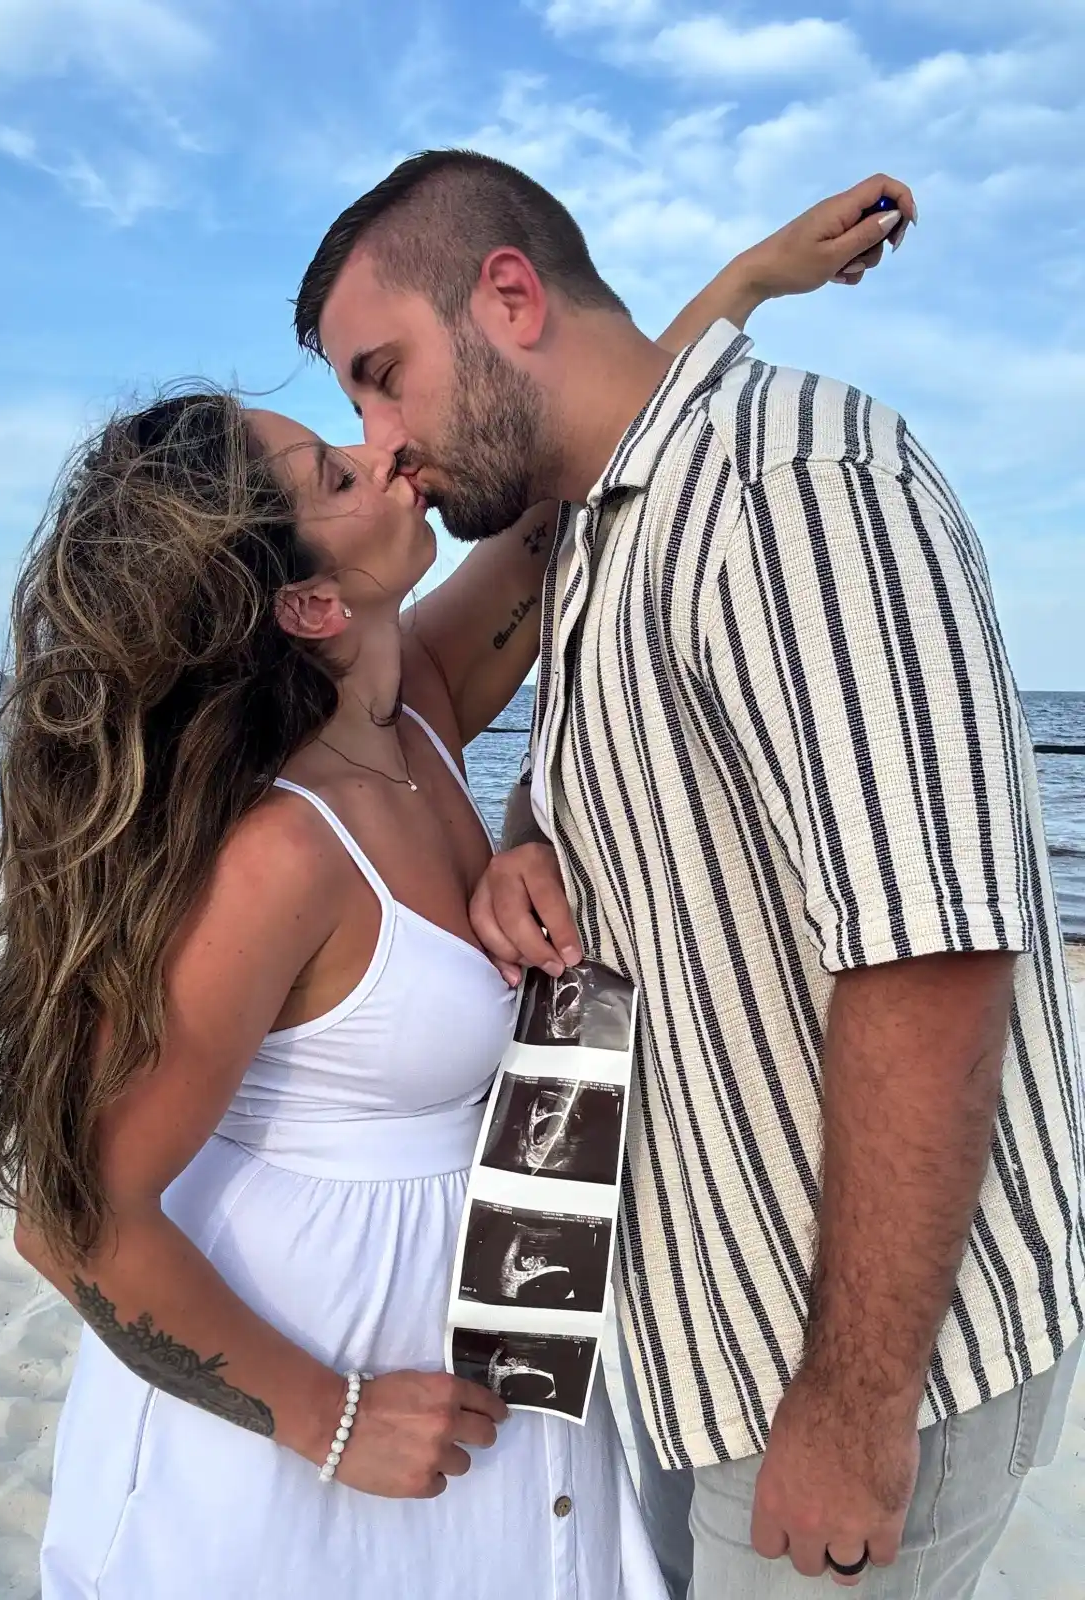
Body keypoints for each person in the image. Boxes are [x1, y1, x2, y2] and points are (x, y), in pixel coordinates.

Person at [0, 203, 883, 1598]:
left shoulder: (421, 716)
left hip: (484, 1386)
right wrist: (324, 1418)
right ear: (312, 608)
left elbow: (582, 468)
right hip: (310, 1432)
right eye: (339, 473)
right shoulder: (277, 854)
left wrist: (743, 286)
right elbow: (71, 1216)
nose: (386, 451)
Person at [295, 149, 1085, 1599]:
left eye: (382, 378)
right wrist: (529, 842)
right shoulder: (605, 533)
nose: (383, 442)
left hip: (859, 1372)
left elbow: (931, 955)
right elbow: (652, 793)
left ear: (511, 297)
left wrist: (852, 1405)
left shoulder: (792, 485)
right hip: (695, 1345)